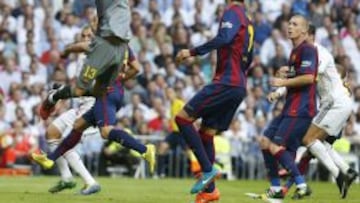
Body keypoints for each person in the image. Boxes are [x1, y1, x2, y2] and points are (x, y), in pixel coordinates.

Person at [175, 0, 254, 202]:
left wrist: (191, 52)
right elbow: (248, 56)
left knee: (183, 119)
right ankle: (210, 191)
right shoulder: (247, 18)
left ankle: (208, 170)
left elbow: (224, 38)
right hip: (238, 84)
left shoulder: (233, 12)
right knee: (206, 134)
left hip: (227, 82)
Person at [270, 24, 359, 199]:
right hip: (335, 104)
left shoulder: (321, 53)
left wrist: (283, 81)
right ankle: (346, 171)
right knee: (322, 144)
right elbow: (299, 79)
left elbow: (308, 77)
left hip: (334, 104)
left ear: (309, 35)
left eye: (301, 34)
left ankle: (338, 175)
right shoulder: (307, 55)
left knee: (307, 139)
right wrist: (280, 90)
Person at [257, 14, 317, 200]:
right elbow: (299, 73)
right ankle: (276, 188)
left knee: (275, 146)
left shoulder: (308, 49)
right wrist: (286, 72)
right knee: (265, 142)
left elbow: (309, 77)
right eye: (289, 23)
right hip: (290, 107)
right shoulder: (294, 51)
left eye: (295, 24)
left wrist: (283, 80)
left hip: (301, 109)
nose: (289, 26)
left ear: (304, 31)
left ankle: (301, 184)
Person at [44, 26, 100, 195]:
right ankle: (67, 177)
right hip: (81, 105)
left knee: (66, 142)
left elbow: (91, 88)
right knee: (52, 133)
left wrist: (61, 93)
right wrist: (62, 89)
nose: (85, 38)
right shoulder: (79, 59)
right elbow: (79, 88)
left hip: (93, 106)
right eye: (83, 36)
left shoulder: (97, 56)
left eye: (89, 35)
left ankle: (90, 182)